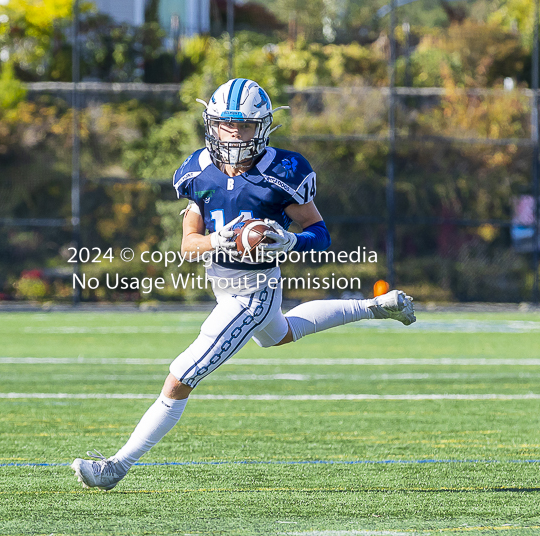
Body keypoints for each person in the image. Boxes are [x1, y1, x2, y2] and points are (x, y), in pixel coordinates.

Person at [71, 78, 416, 490]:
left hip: (253, 291)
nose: (234, 134)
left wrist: (291, 240)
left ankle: (117, 466)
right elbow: (188, 246)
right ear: (211, 124)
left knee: (179, 378)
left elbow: (320, 233)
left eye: (245, 126)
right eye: (226, 125)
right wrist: (218, 240)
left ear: (264, 127)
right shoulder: (197, 169)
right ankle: (375, 307)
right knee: (280, 334)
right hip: (224, 284)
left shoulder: (282, 172)